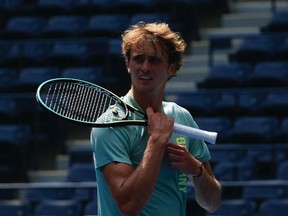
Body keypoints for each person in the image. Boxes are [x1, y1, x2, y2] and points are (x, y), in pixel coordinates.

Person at [90, 22, 221, 216]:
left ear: (171, 68)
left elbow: (212, 203)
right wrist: (157, 142)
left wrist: (196, 170)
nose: (145, 67)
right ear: (128, 64)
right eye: (138, 59)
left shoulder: (181, 116)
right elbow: (128, 206)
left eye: (154, 60)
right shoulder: (109, 124)